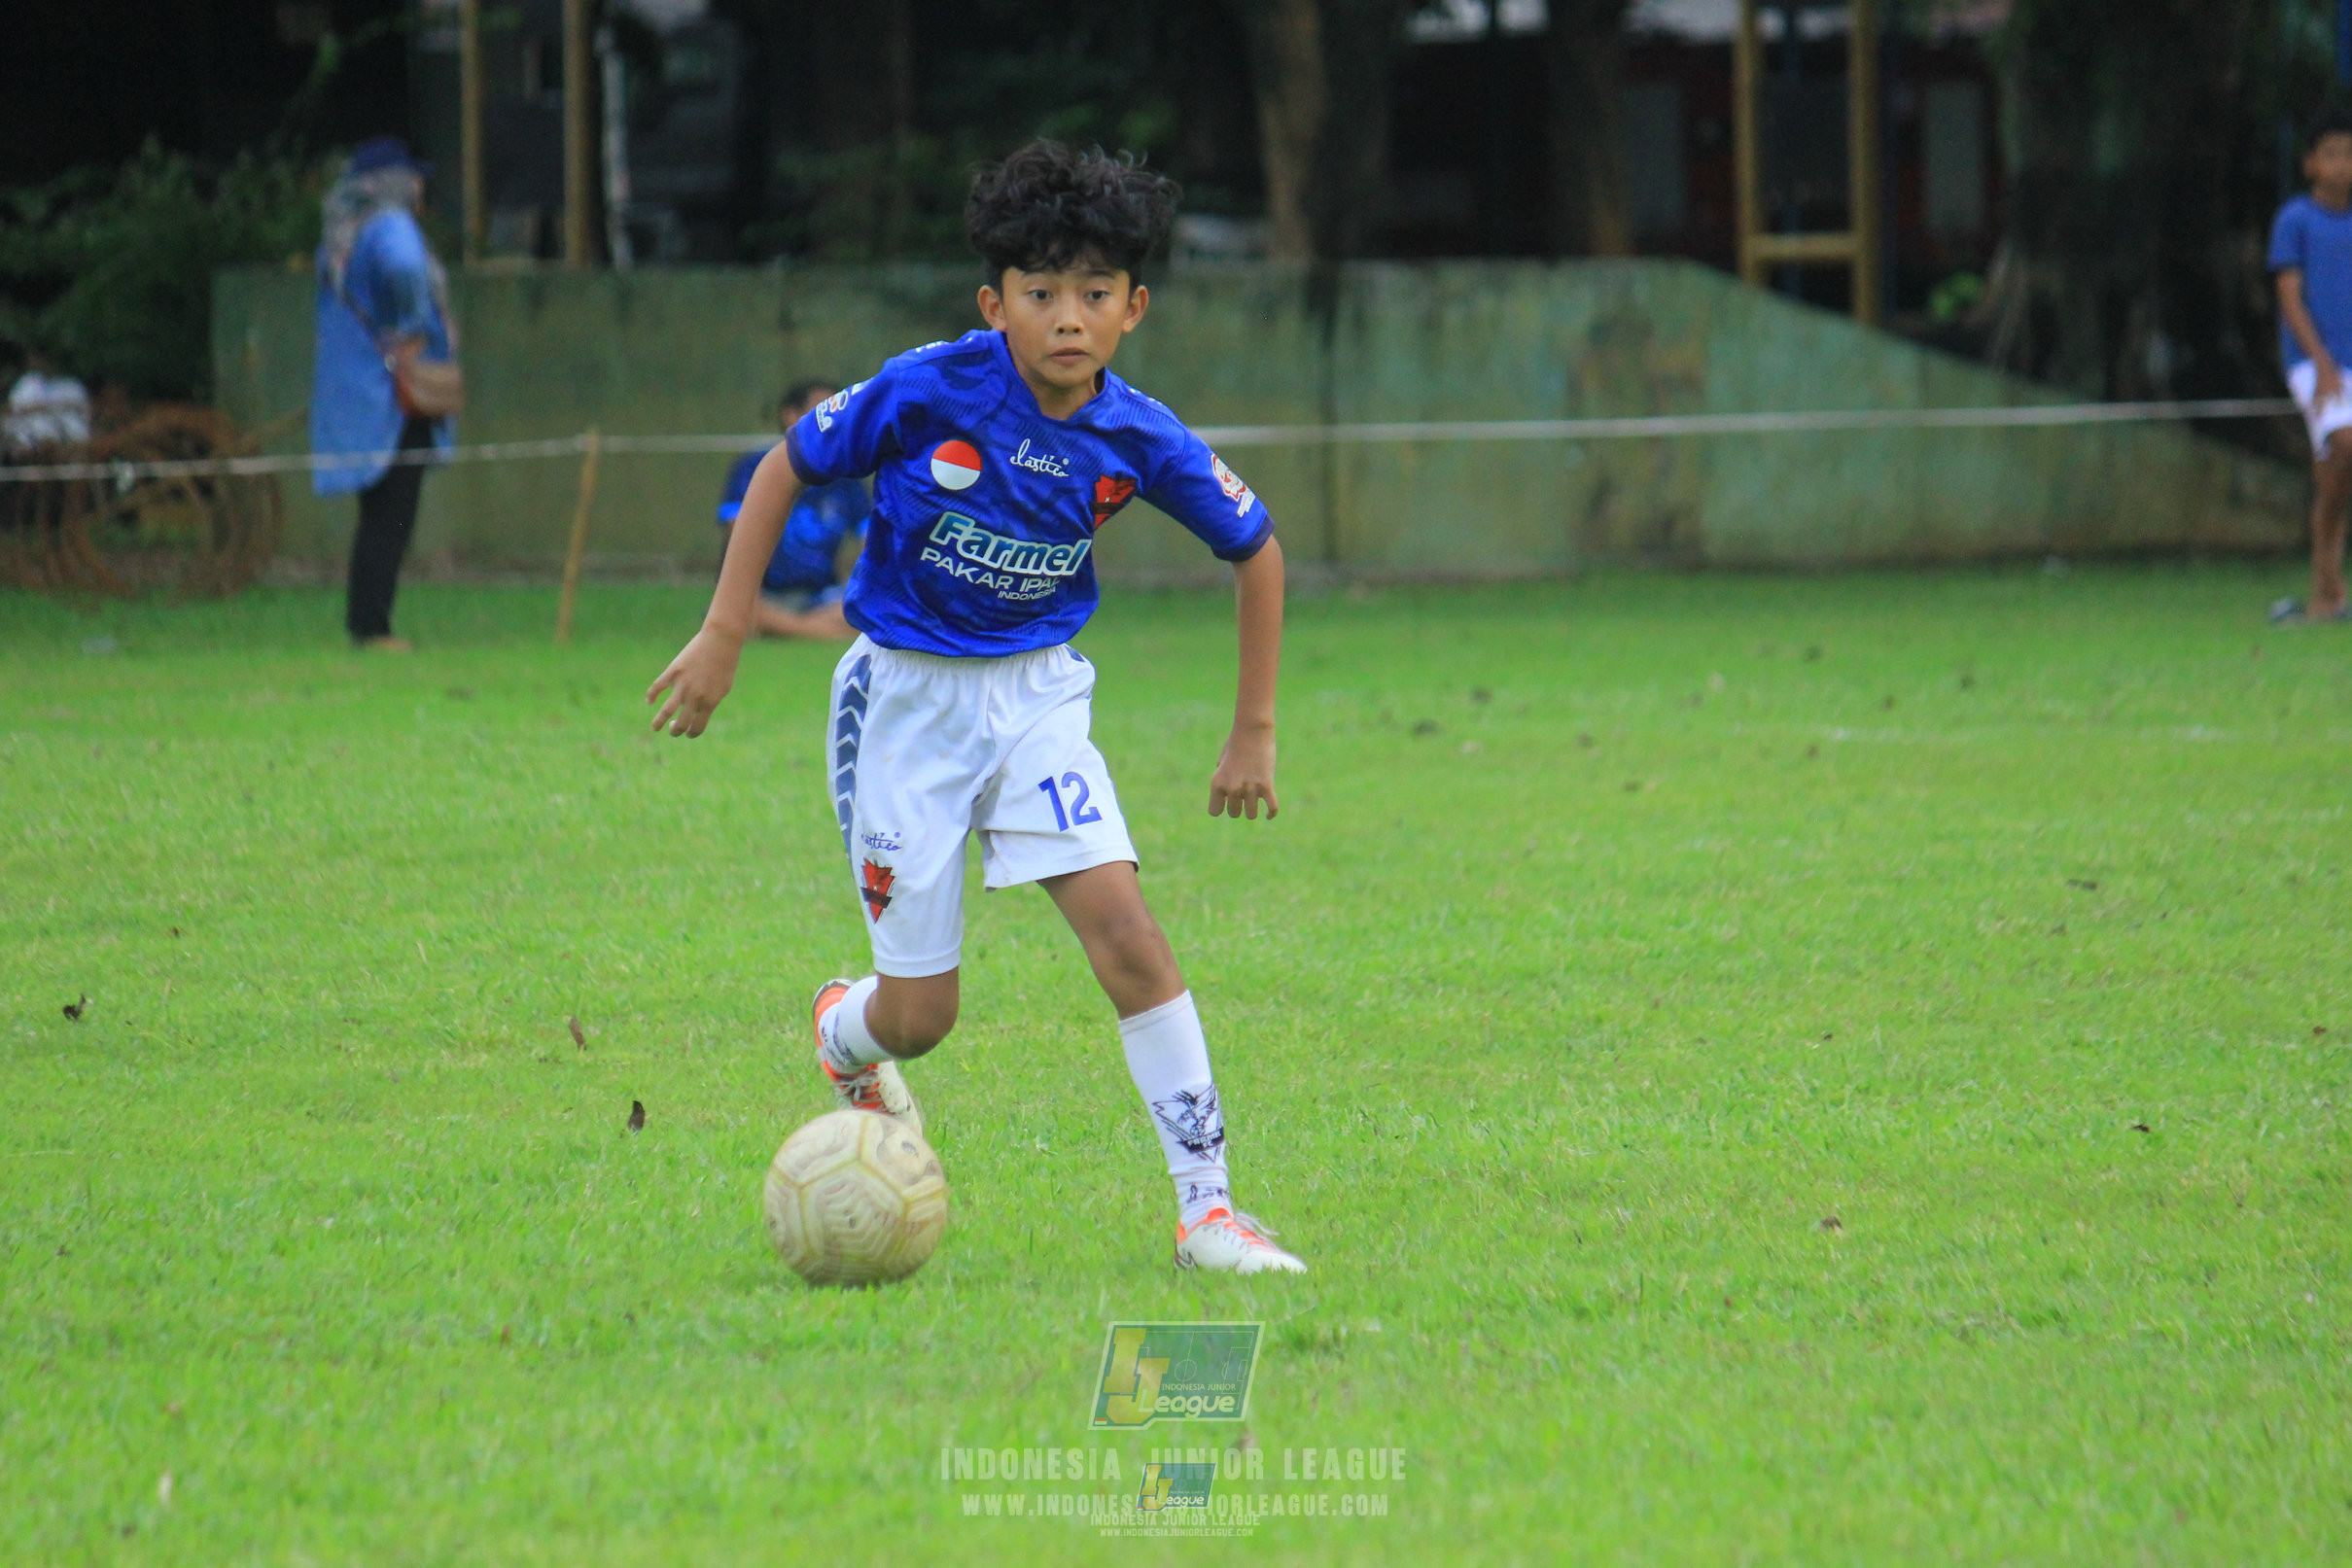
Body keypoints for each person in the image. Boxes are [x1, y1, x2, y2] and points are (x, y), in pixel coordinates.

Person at [647, 141, 1305, 1274]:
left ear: (1133, 309)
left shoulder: (1139, 433)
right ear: (992, 302)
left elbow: (1258, 549)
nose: (1067, 317)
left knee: (1132, 943)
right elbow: (782, 468)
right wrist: (722, 630)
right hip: (903, 703)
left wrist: (1253, 728)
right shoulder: (927, 387)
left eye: (1094, 294)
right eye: (1040, 293)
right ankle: (842, 1031)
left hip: (1039, 700)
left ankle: (1208, 1212)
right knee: (922, 1019)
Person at [310, 136, 459, 651]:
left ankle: (368, 620)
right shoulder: (390, 224)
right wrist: (413, 324)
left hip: (357, 395)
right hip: (394, 395)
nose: (419, 187)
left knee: (378, 513)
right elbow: (404, 268)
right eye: (413, 176)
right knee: (392, 513)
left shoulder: (341, 233)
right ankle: (372, 627)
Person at [2269, 110, 2352, 625]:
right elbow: (2291, 300)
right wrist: (2323, 366)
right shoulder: (2295, 220)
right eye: (2332, 154)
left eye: (2350, 154)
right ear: (2310, 164)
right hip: (2315, 367)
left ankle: (2326, 596)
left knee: (2335, 481)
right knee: (2346, 444)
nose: (2343, 164)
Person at [716, 381, 868, 640]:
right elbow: (736, 531)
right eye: (823, 411)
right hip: (764, 593)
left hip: (822, 595)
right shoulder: (755, 466)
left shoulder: (847, 477)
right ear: (790, 415)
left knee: (862, 614)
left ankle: (779, 626)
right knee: (736, 610)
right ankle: (805, 627)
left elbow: (872, 540)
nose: (835, 422)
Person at [3, 349, 92, 453]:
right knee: (39, 429)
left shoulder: (70, 384)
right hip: (32, 424)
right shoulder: (27, 383)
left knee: (76, 430)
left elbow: (83, 408)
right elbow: (15, 409)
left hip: (64, 422)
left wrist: (58, 407)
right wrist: (41, 408)